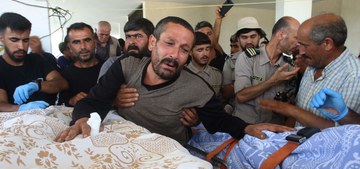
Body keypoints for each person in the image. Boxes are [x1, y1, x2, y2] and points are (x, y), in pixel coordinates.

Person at [55, 16, 293, 144]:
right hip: (125, 143)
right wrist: (82, 119)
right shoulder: (126, 66)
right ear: (152, 43)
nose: (174, 56)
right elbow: (94, 101)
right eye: (169, 43)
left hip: (167, 151)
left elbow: (219, 121)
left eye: (184, 49)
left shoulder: (197, 88)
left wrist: (246, 127)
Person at [258, 13, 360, 129]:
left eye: (304, 45)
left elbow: (342, 131)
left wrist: (290, 110)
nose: (300, 51)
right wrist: (287, 133)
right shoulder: (312, 65)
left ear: (327, 44)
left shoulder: (354, 76)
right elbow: (299, 109)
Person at [233, 16, 300, 124]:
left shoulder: (290, 66)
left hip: (274, 131)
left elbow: (290, 106)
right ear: (281, 34)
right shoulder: (247, 58)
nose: (298, 43)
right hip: (246, 127)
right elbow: (241, 96)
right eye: (296, 38)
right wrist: (273, 80)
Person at [0, 12, 68, 112]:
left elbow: (62, 83)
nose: (21, 46)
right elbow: (1, 103)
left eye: (25, 40)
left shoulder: (37, 59)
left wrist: (37, 85)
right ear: (2, 39)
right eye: (14, 40)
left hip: (48, 119)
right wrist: (21, 108)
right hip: (15, 123)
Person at [222, 17, 266, 114]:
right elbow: (225, 93)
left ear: (259, 36)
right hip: (240, 114)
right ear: (238, 39)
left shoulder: (269, 58)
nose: (249, 41)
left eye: (253, 36)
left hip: (266, 114)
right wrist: (241, 81)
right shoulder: (230, 61)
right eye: (244, 37)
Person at [58, 22, 103, 107]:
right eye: (76, 42)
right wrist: (71, 101)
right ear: (69, 47)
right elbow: (61, 104)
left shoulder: (110, 69)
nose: (83, 47)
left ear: (95, 42)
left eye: (87, 40)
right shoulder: (65, 75)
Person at [187, 31, 222, 96]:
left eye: (207, 49)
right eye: (200, 50)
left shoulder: (217, 74)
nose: (205, 54)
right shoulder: (182, 74)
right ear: (190, 52)